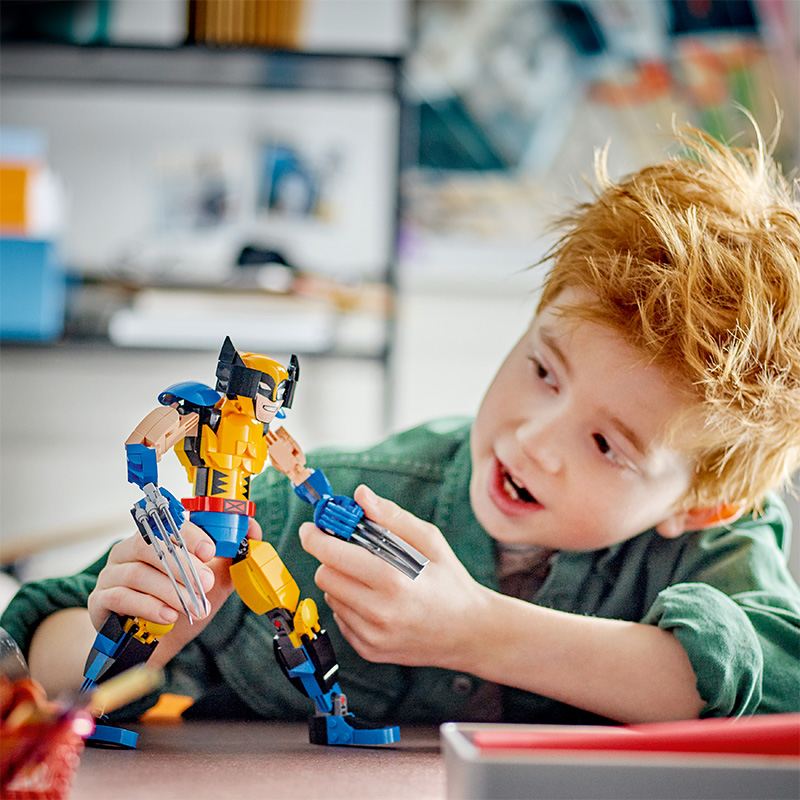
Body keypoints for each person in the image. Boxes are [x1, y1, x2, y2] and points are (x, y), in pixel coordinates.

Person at [3, 122, 799, 727]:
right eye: (543, 371)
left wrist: (477, 632)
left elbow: (779, 683)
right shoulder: (300, 514)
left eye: (605, 444)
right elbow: (38, 648)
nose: (533, 439)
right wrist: (139, 631)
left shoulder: (720, 544)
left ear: (700, 504)